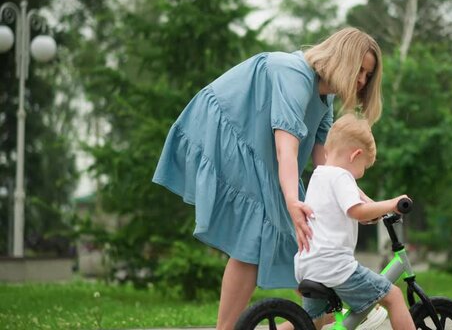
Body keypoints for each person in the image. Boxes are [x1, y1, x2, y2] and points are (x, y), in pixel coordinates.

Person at [152, 28, 383, 330]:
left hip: (266, 157)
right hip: (231, 133)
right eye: (360, 71)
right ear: (343, 59)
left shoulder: (323, 100)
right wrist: (291, 200)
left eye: (368, 75)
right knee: (257, 231)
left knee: (303, 236)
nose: (363, 81)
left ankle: (321, 316)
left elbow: (328, 166)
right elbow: (285, 148)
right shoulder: (295, 75)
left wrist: (360, 201)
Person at [294, 114, 415, 330]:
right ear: (356, 155)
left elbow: (342, 212)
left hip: (309, 265)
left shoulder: (319, 174)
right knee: (394, 297)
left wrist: (369, 213)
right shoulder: (342, 176)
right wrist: (392, 203)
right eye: (365, 167)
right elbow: (357, 211)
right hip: (334, 267)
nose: (361, 173)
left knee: (310, 322)